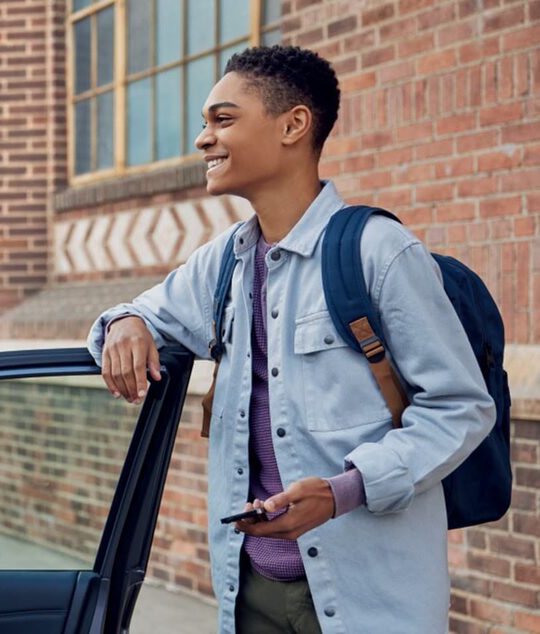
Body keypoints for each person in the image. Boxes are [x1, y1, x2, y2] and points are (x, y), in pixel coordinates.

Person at [88, 46, 493, 633]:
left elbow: (460, 407)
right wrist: (127, 322)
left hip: (368, 596)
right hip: (247, 589)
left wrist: (344, 491)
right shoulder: (224, 261)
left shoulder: (379, 252)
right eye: (205, 123)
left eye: (223, 120)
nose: (203, 139)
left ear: (293, 125)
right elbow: (132, 315)